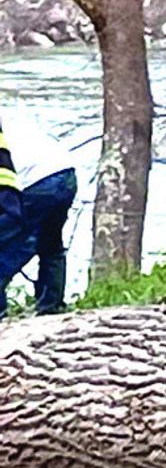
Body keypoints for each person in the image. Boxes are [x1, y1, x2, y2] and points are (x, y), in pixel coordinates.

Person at [0, 110, 79, 319]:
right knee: (50, 243)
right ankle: (51, 307)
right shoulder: (13, 116)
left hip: (34, 182)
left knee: (8, 247)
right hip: (65, 173)